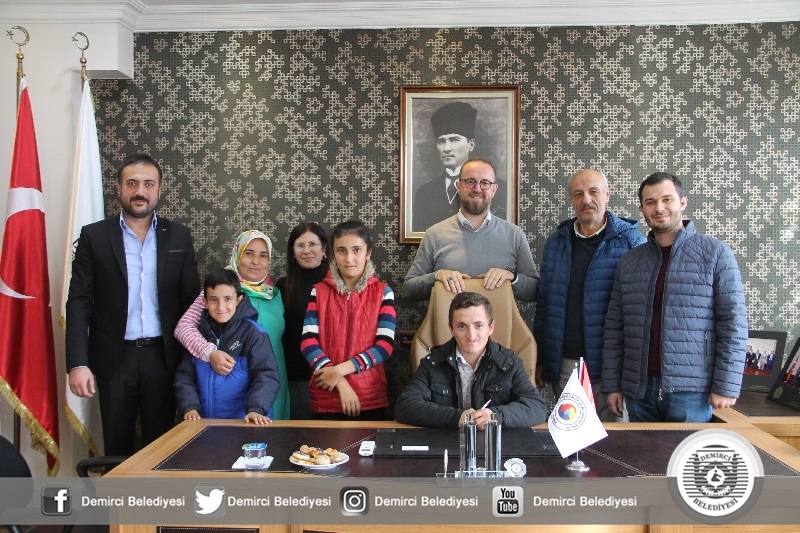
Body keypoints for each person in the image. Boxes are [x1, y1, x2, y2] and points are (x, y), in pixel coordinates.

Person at [66, 153, 201, 456]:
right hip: (114, 359)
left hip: (163, 358)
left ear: (159, 190)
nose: (140, 191)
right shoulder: (94, 236)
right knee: (116, 448)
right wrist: (77, 363)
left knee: (161, 448)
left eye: (148, 184)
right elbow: (78, 303)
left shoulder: (178, 236)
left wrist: (195, 358)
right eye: (132, 183)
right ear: (118, 188)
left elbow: (191, 303)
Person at [602, 172, 748, 423]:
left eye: (666, 199)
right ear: (642, 209)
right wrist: (613, 385)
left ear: (682, 202)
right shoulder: (630, 262)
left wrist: (726, 385)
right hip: (639, 390)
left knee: (686, 451)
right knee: (642, 451)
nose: (659, 208)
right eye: (650, 202)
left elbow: (733, 324)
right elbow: (615, 329)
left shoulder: (715, 254)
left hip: (692, 392)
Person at [533, 169, 645, 421]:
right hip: (565, 362)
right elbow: (544, 305)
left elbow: (640, 312)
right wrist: (540, 359)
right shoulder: (556, 243)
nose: (586, 200)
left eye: (593, 192)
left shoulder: (631, 241)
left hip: (611, 366)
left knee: (613, 437)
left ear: (607, 195)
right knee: (571, 435)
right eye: (578, 194)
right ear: (571, 200)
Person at [175, 230, 290, 420]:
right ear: (237, 254)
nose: (256, 261)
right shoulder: (222, 289)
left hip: (269, 379)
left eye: (263, 255)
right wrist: (209, 352)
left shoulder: (275, 294)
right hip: (231, 391)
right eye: (248, 253)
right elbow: (183, 327)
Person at [395, 292, 547, 428]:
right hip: (446, 443)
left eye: (478, 325)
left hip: (494, 443)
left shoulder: (510, 362)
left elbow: (537, 407)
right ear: (451, 329)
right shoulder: (433, 362)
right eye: (462, 326)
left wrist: (496, 416)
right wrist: (456, 417)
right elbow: (405, 406)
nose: (471, 335)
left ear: (491, 327)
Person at [404, 158, 538, 301]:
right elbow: (409, 290)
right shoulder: (434, 234)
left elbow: (534, 292)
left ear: (494, 189)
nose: (477, 189)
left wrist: (512, 277)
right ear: (458, 186)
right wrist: (436, 276)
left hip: (500, 316)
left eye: (485, 183)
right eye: (470, 182)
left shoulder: (514, 234)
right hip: (446, 317)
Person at [301, 220, 396, 420]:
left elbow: (385, 346)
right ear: (333, 254)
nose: (349, 258)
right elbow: (308, 342)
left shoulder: (383, 292)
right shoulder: (319, 291)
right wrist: (339, 380)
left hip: (369, 397)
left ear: (368, 253)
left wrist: (339, 371)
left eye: (356, 250)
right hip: (326, 393)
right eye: (341, 251)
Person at [411, 101, 507, 231]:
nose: (446, 148)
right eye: (441, 141)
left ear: (471, 144)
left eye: (454, 140)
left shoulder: (499, 189)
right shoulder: (424, 193)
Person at [275, 222, 331, 419]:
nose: (306, 251)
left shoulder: (337, 285)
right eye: (300, 245)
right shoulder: (282, 286)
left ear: (324, 249)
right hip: (295, 378)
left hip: (331, 375)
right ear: (293, 252)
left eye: (312, 244)